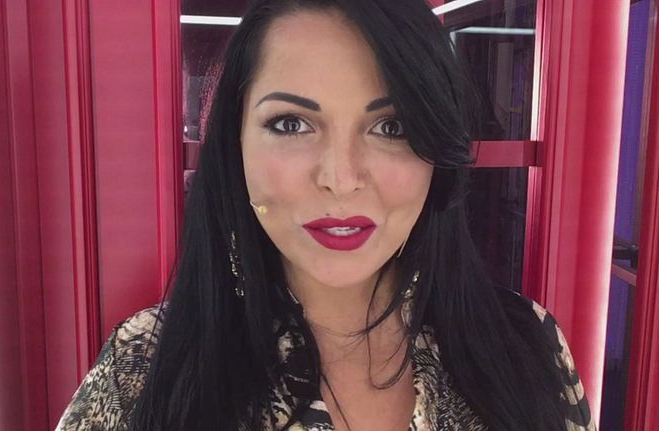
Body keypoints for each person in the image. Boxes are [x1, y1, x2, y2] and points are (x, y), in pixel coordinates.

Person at [56, 0, 596, 430]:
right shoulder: (143, 366)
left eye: (392, 126)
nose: (341, 177)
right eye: (291, 124)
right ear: (235, 145)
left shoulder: (525, 344)